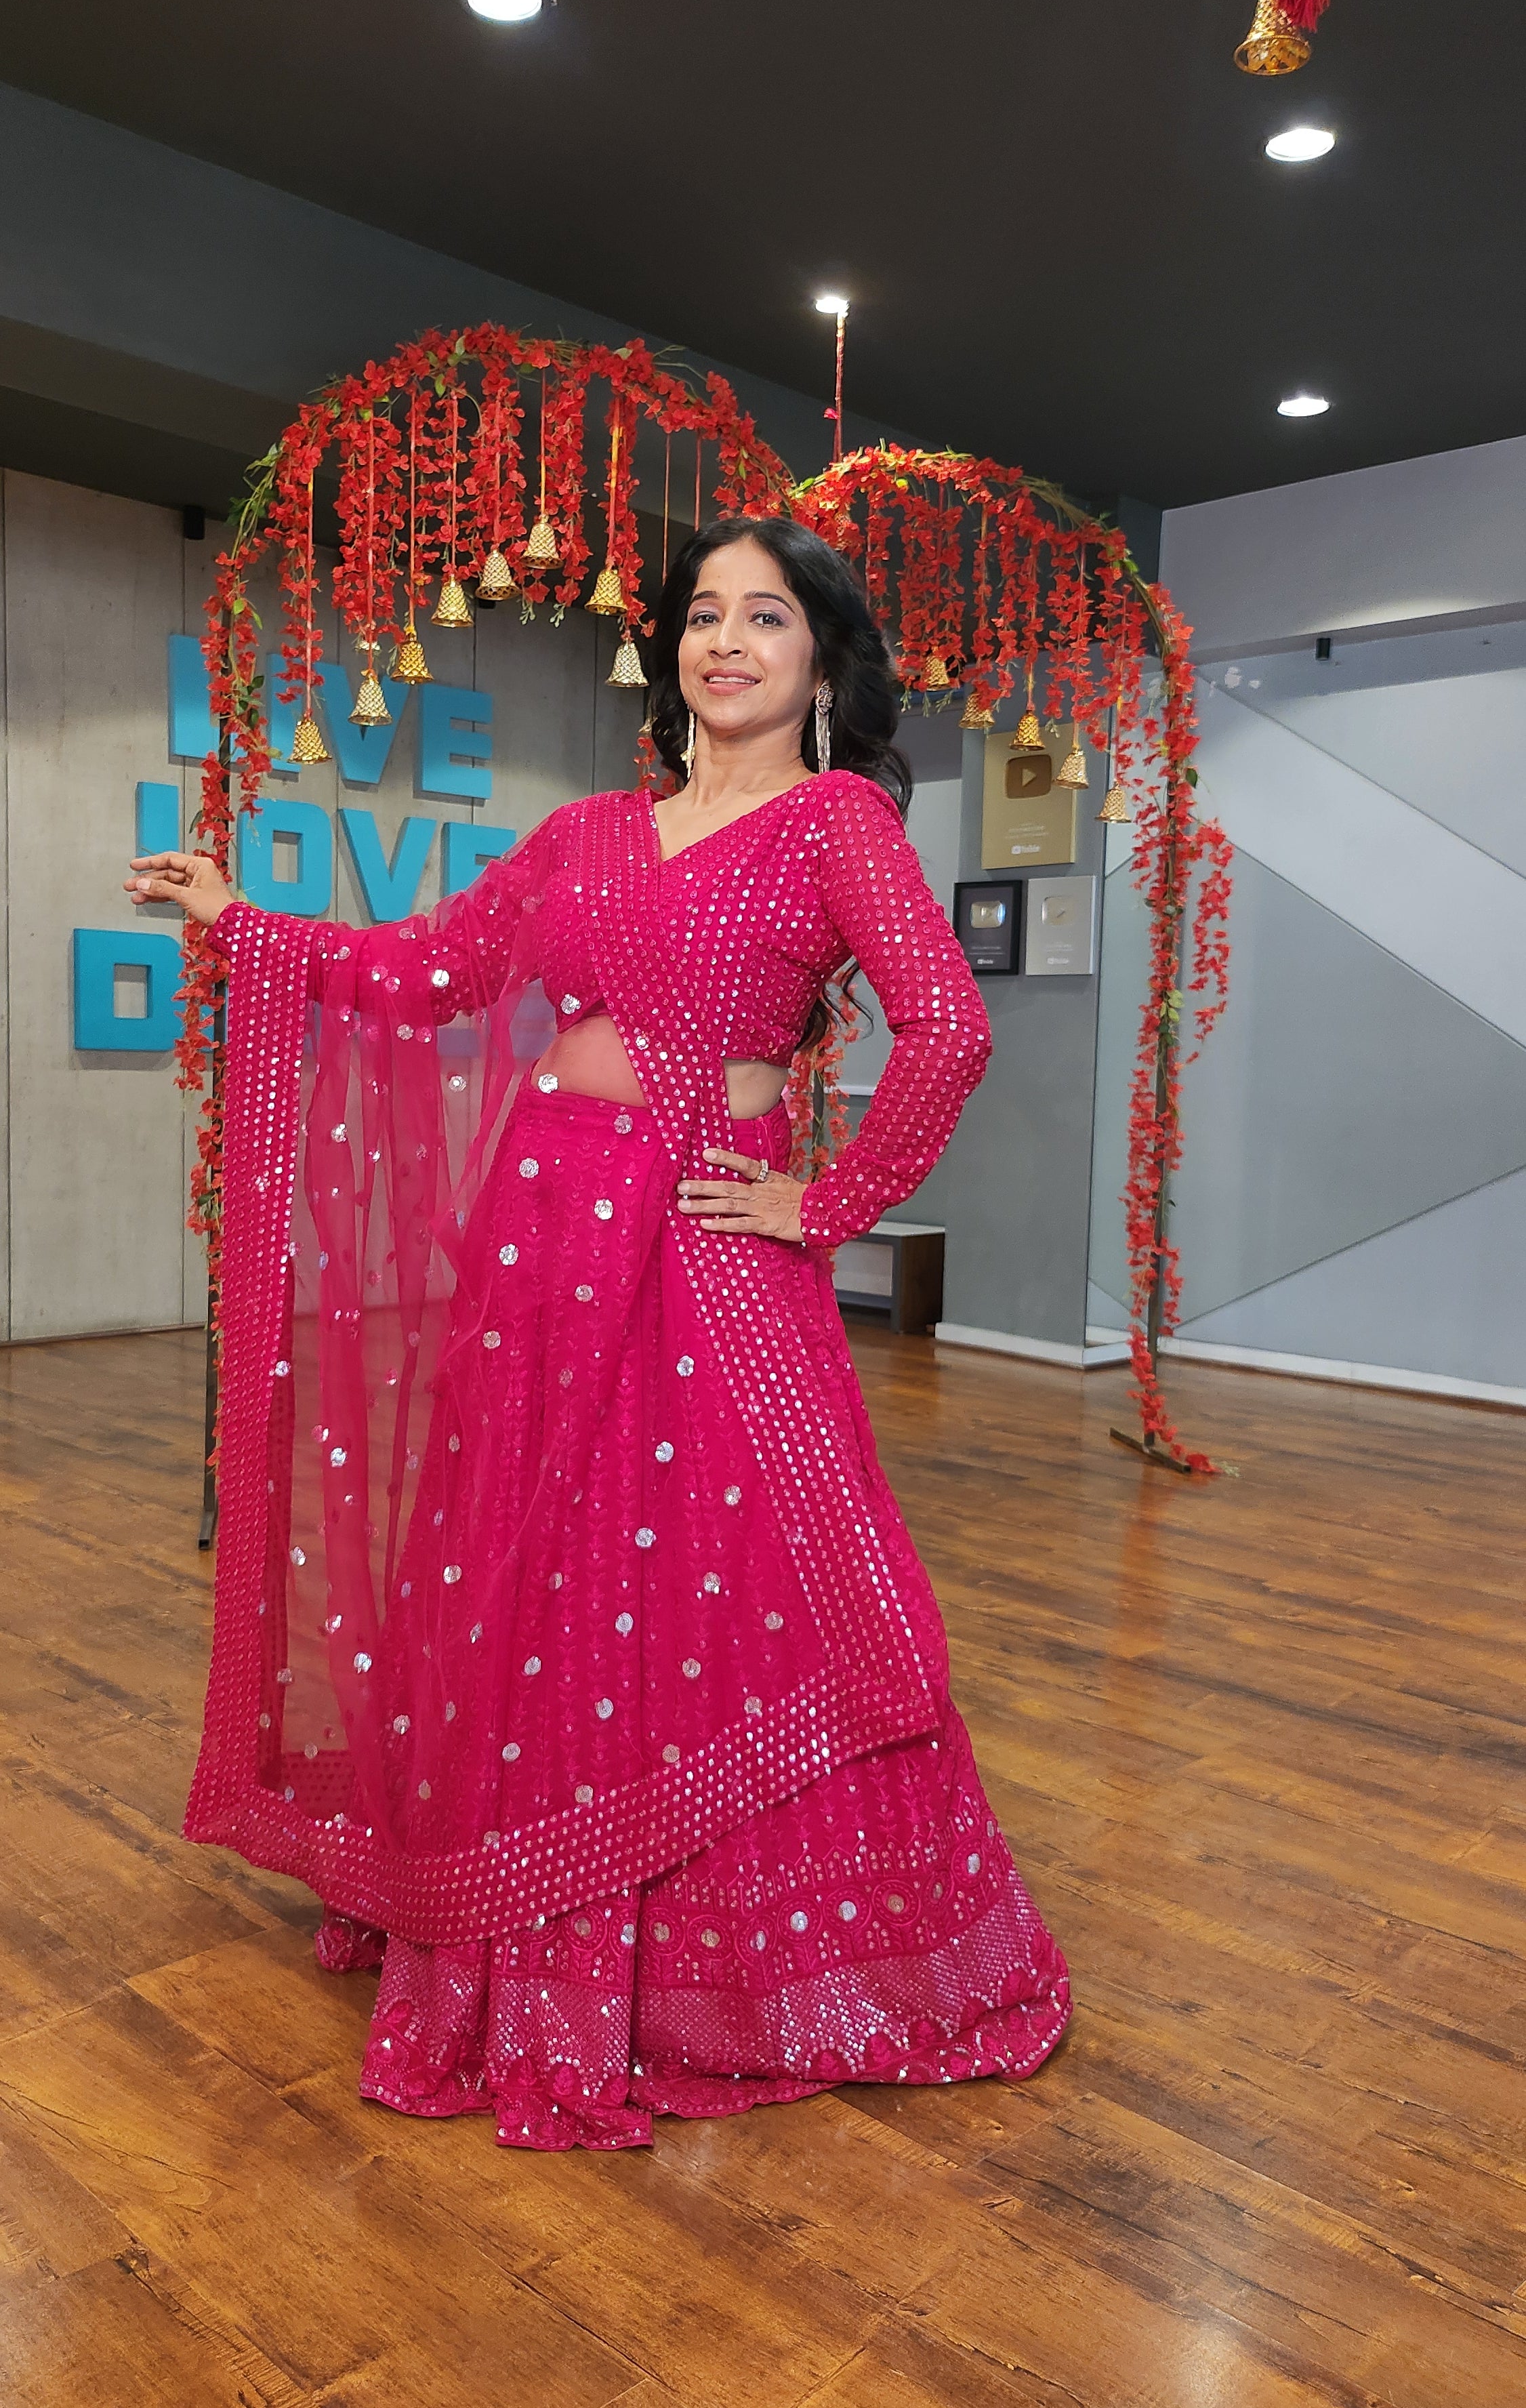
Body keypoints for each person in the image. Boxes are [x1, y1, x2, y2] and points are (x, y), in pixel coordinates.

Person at [128, 514, 1070, 2150]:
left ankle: (730, 1962)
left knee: (745, 1570)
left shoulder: (835, 822)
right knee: (539, 1574)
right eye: (703, 614)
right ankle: (509, 1916)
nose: (726, 642)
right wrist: (244, 923)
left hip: (706, 1246)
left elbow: (949, 1028)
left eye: (764, 617)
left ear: (821, 660)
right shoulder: (582, 836)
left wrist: (825, 1204)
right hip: (544, 1237)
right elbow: (428, 972)